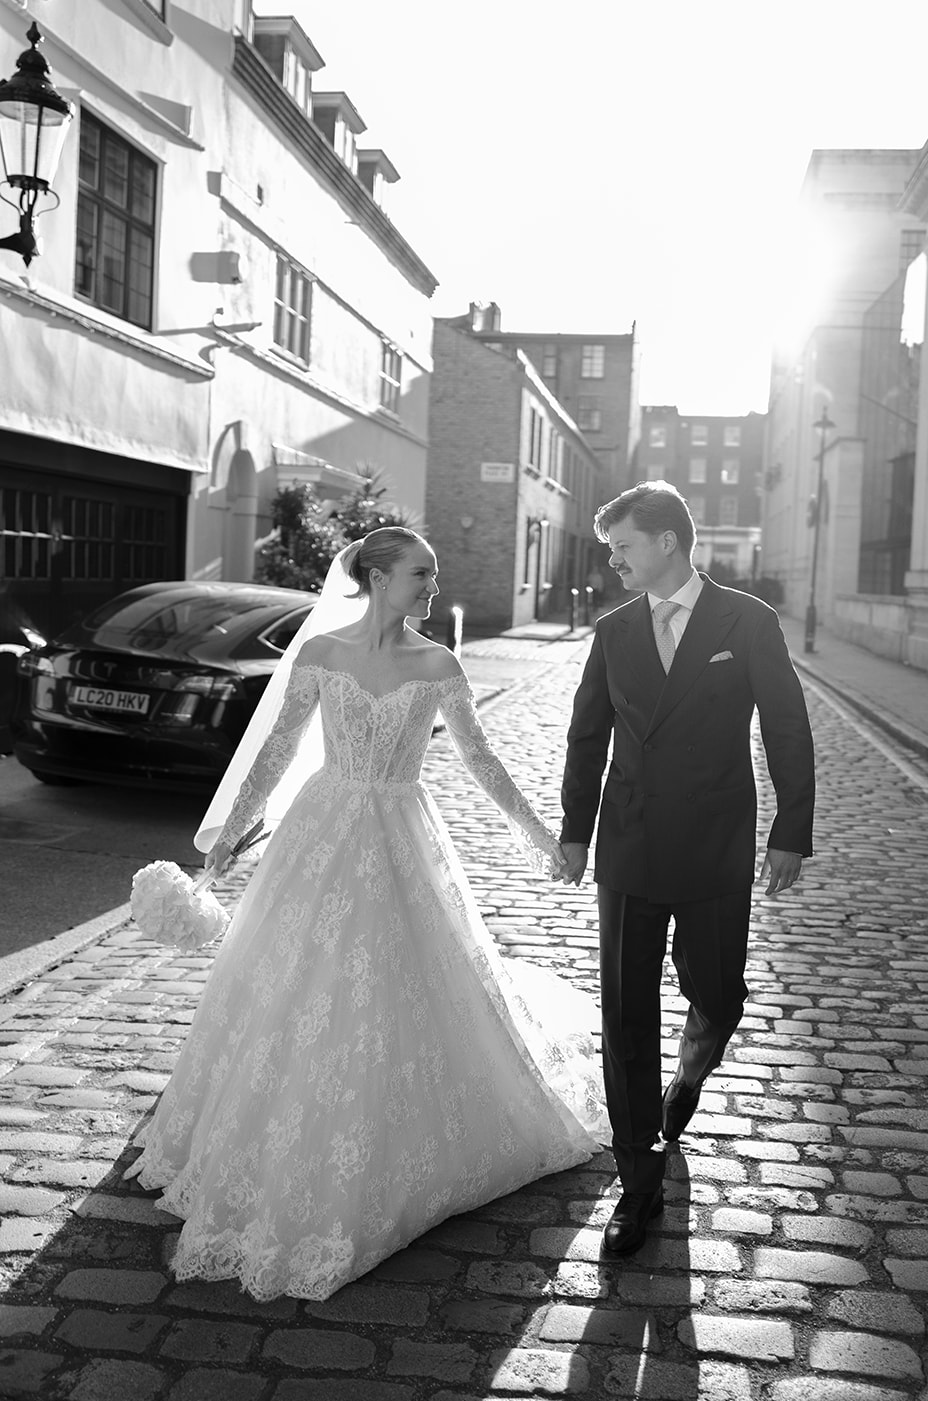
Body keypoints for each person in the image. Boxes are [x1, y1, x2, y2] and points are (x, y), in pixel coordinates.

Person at [127, 528, 607, 1302]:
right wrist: (229, 840)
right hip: (319, 831)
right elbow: (277, 749)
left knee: (397, 978)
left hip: (402, 836)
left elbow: (480, 758)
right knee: (292, 975)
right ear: (377, 576)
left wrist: (538, 834)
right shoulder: (323, 654)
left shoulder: (439, 663)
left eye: (434, 575)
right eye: (421, 574)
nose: (433, 587)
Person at [557, 481, 815, 1255]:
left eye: (623, 546)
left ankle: (687, 1081)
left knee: (720, 996)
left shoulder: (747, 620)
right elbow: (585, 736)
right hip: (630, 842)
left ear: (667, 541)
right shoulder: (613, 631)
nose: (613, 561)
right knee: (626, 1016)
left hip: (714, 842)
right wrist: (575, 832)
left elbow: (786, 726)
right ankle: (637, 1181)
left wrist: (790, 831)